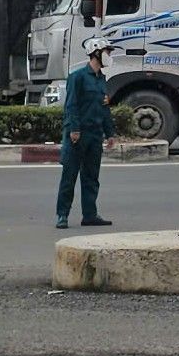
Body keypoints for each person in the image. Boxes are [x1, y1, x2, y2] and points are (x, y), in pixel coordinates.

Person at [55, 37, 117, 229]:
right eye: (107, 52)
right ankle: (62, 215)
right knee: (69, 176)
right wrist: (74, 129)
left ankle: (89, 215)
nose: (109, 56)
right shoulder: (78, 77)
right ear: (96, 53)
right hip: (78, 135)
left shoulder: (102, 80)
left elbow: (104, 108)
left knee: (91, 178)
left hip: (95, 135)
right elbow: (71, 105)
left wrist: (110, 133)